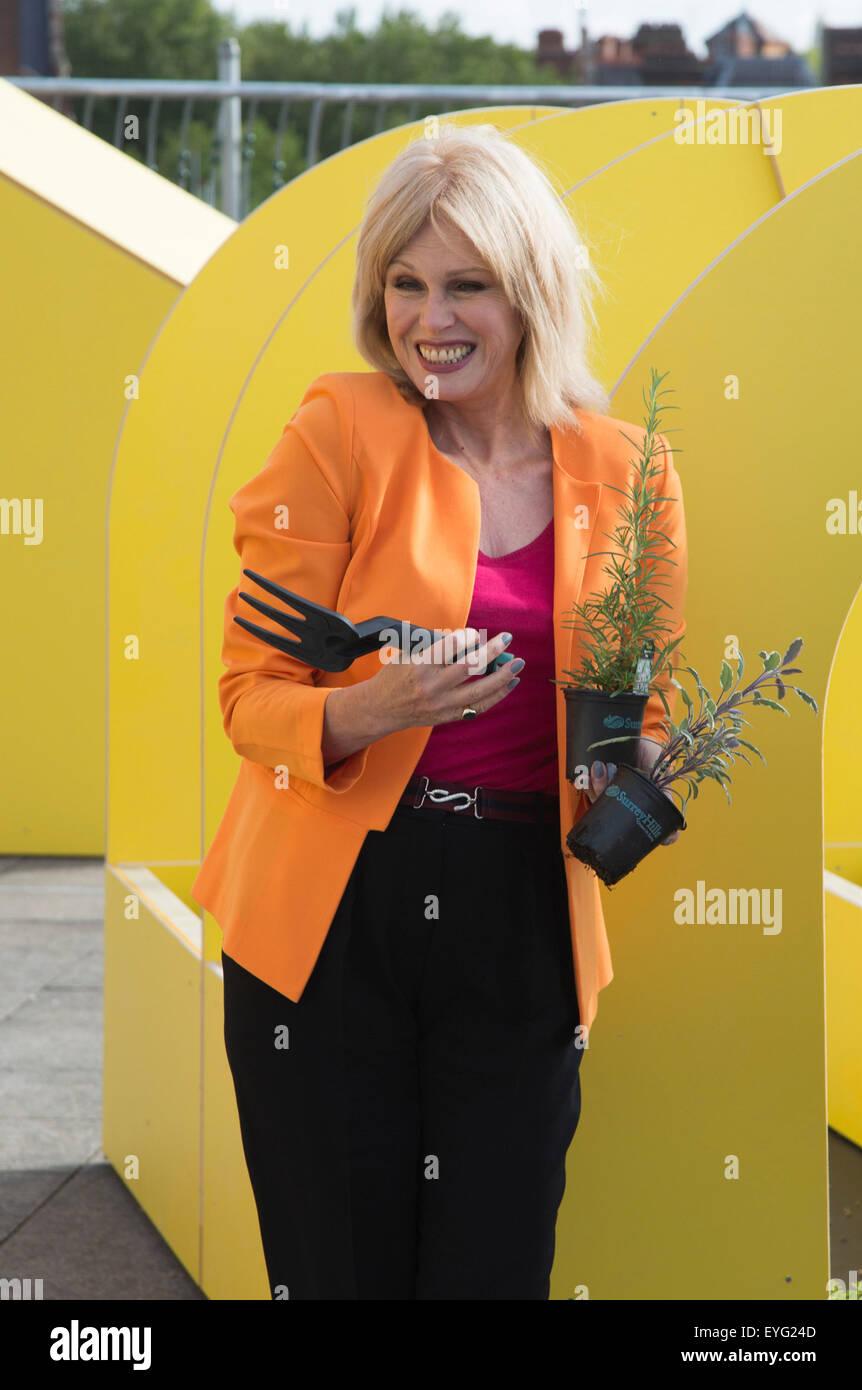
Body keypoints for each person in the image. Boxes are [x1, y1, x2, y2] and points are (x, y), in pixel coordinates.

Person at [191, 121, 687, 1301]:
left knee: (493, 1265)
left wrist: (646, 767)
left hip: (523, 909)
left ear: (531, 292)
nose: (430, 318)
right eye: (404, 284)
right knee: (339, 1268)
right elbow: (246, 695)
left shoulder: (630, 471)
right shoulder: (338, 429)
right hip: (330, 917)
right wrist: (371, 711)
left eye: (466, 285)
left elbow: (643, 696)